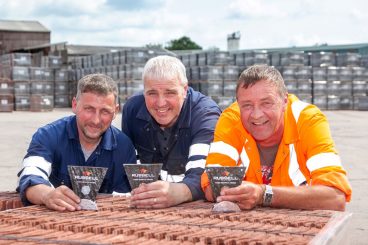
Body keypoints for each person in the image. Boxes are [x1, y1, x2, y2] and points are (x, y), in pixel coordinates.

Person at [201, 65, 352, 211]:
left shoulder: (307, 120)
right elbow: (211, 186)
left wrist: (264, 194)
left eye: (266, 103)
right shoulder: (231, 120)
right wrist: (234, 192)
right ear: (238, 104)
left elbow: (335, 197)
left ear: (284, 101)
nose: (256, 115)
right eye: (247, 105)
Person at [17, 74, 136, 211]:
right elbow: (30, 176)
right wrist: (48, 195)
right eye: (89, 109)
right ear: (74, 105)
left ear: (115, 111)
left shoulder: (124, 147)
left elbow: (125, 200)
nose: (96, 120)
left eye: (105, 111)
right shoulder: (48, 136)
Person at [122, 55, 221, 208]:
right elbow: (128, 164)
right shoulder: (132, 110)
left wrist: (180, 192)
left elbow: (203, 171)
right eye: (152, 93)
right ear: (144, 91)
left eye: (170, 93)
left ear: (185, 89)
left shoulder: (205, 115)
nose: (161, 103)